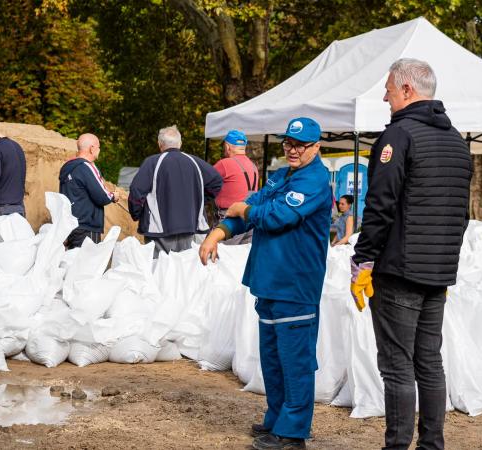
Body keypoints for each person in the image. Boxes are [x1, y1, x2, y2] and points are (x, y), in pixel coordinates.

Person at [350, 59, 473, 450]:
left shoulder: (398, 136)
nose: (385, 96)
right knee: (429, 363)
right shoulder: (456, 140)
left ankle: (397, 447)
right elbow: (462, 213)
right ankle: (432, 445)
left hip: (399, 270)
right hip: (437, 273)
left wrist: (362, 261)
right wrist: (442, 260)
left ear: (407, 90)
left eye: (388, 88)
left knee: (398, 366)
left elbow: (380, 205)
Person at [199, 117, 332, 450]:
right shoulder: (282, 175)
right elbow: (255, 204)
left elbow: (276, 216)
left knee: (296, 360)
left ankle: (293, 433)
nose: (293, 150)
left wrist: (244, 210)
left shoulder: (314, 180)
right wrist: (219, 231)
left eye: (301, 145)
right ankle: (277, 420)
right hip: (269, 281)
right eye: (288, 143)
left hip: (295, 283)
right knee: (272, 357)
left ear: (317, 147)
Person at [129, 125, 222, 258]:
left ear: (160, 144)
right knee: (183, 269)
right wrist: (199, 201)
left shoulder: (152, 162)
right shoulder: (195, 162)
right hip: (190, 227)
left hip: (159, 230)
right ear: (180, 143)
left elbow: (136, 190)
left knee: (160, 269)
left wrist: (136, 213)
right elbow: (217, 181)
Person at [59, 133, 120, 249]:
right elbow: (102, 197)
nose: (99, 150)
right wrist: (113, 196)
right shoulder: (87, 166)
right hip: (87, 226)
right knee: (88, 264)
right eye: (99, 147)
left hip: (70, 226)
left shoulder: (67, 167)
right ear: (92, 148)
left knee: (72, 264)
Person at [212, 129, 259, 244]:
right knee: (242, 259)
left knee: (218, 258)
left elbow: (205, 181)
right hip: (250, 219)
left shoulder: (225, 163)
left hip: (230, 220)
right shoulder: (253, 166)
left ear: (227, 147)